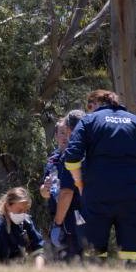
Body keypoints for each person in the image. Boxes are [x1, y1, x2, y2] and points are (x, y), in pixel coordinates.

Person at [63, 89, 136, 265]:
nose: (89, 110)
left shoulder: (89, 120)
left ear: (94, 104)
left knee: (94, 251)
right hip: (131, 195)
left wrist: (79, 183)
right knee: (132, 252)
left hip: (97, 194)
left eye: (89, 106)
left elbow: (72, 156)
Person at [40, 110, 86, 261]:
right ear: (55, 136)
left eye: (67, 132)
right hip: (58, 215)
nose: (65, 136)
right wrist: (45, 190)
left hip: (76, 215)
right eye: (61, 132)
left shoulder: (78, 155)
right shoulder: (52, 159)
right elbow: (45, 192)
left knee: (78, 256)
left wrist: (58, 223)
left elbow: (68, 192)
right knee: (62, 258)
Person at [0, 187, 45, 267]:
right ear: (7, 206)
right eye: (20, 210)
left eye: (26, 211)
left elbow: (39, 250)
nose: (23, 214)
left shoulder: (26, 224)